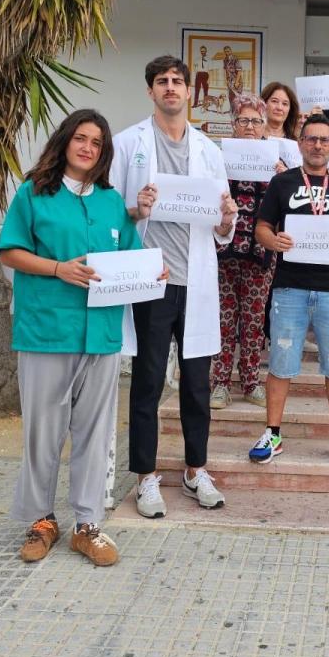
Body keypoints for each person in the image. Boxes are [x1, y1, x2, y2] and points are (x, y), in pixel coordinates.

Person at [0, 109, 166, 567]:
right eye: (81, 138)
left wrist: (154, 269)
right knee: (43, 433)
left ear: (103, 152)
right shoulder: (35, 194)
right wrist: (57, 268)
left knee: (95, 434)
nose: (88, 147)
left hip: (102, 334)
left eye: (96, 142)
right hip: (47, 330)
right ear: (65, 141)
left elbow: (131, 255)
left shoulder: (113, 202)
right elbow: (9, 250)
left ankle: (88, 525)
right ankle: (40, 520)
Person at [111, 55, 239, 519]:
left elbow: (223, 222)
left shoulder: (209, 149)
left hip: (197, 280)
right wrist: (135, 209)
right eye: (162, 82)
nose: (170, 88)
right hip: (150, 279)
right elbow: (111, 213)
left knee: (197, 386)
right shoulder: (129, 144)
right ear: (150, 91)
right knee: (146, 382)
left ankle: (194, 470)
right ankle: (145, 477)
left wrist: (227, 219)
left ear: (189, 92)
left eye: (177, 81)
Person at [250, 114, 329, 466]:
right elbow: (261, 228)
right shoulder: (282, 183)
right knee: (282, 363)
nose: (318, 145)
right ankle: (272, 432)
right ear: (300, 143)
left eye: (324, 140)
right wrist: (274, 240)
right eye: (311, 139)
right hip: (290, 288)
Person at [211, 94, 276, 409]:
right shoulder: (218, 158)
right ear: (233, 125)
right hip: (223, 251)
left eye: (255, 121)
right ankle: (220, 383)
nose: (249, 126)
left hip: (260, 254)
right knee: (223, 320)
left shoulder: (276, 160)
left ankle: (251, 382)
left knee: (253, 321)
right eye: (243, 120)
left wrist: (282, 175)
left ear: (264, 125)